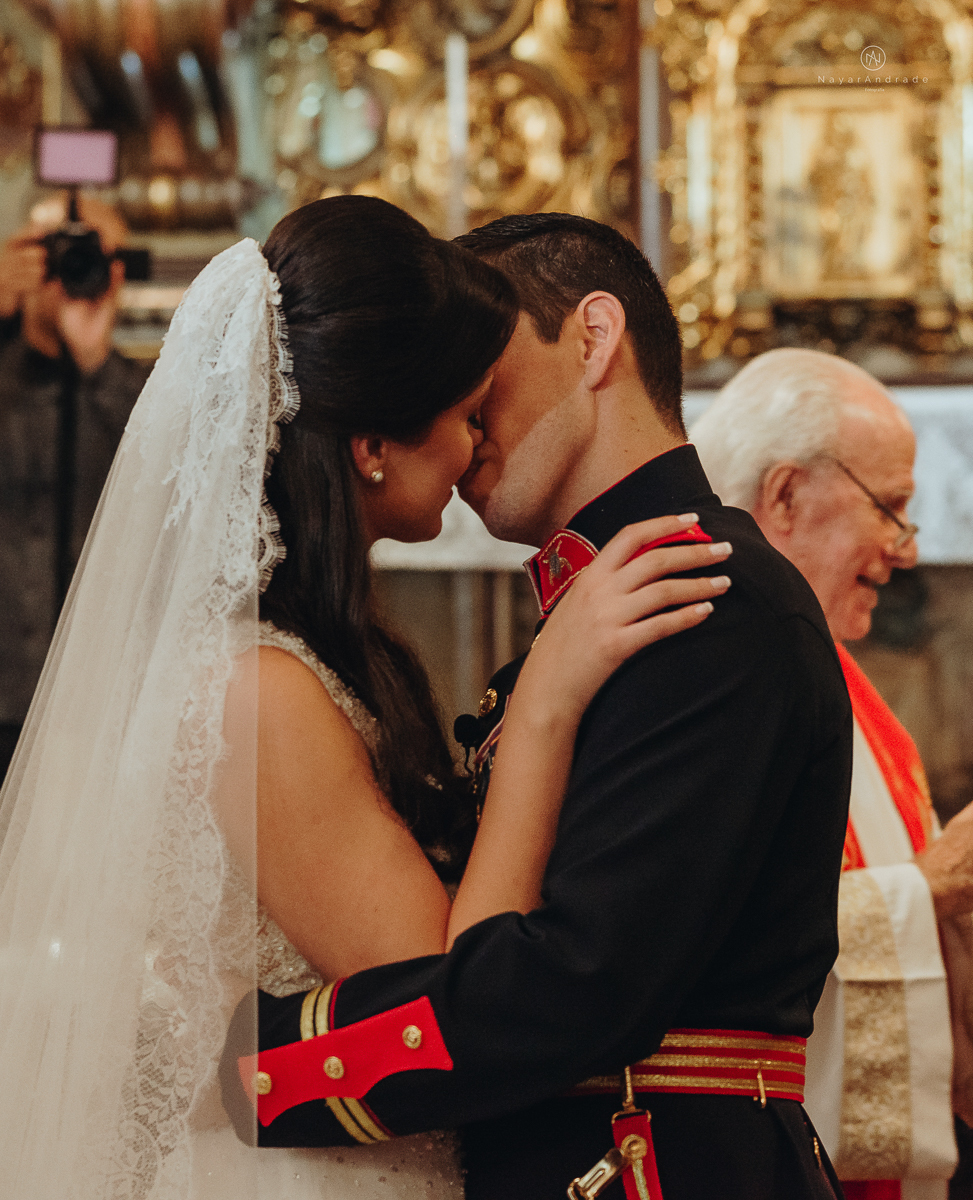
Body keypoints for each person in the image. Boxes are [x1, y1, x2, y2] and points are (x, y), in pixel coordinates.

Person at [0, 196, 729, 1200]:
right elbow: (452, 998)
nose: (477, 447)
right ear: (373, 443)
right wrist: (546, 704)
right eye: (467, 413)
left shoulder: (308, 657)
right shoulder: (260, 691)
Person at [221, 213, 854, 1200]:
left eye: (483, 371)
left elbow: (575, 982)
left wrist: (255, 1066)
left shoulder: (709, 599)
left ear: (593, 338)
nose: (464, 415)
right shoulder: (607, 609)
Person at [692, 346, 973, 1200]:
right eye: (889, 509)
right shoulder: (701, 676)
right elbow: (695, 958)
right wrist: (928, 888)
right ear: (783, 496)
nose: (904, 552)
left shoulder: (837, 681)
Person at [0, 194, 151, 779]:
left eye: (91, 252)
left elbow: (176, 482)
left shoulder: (138, 392)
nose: (71, 267)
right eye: (57, 248)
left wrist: (96, 362)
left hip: (95, 698)